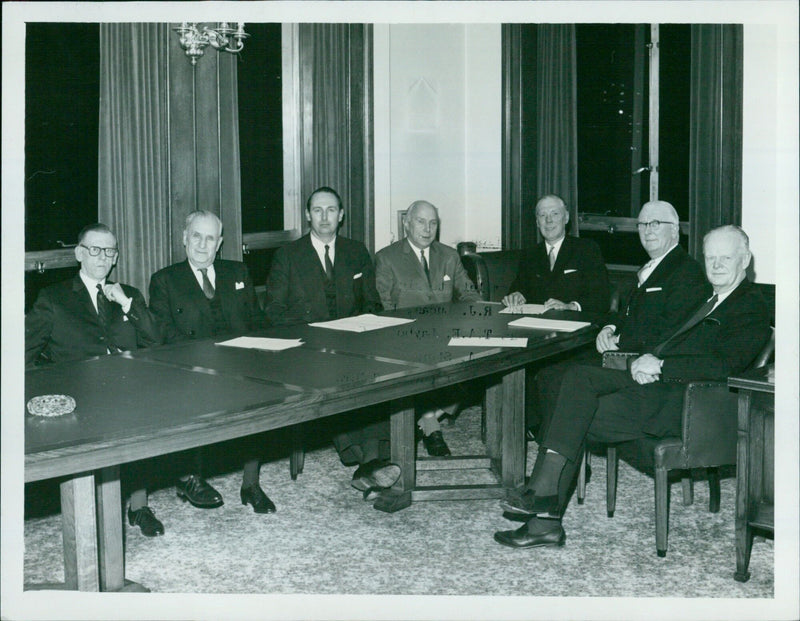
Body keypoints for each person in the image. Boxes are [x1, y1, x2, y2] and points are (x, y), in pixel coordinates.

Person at [493, 225, 772, 549]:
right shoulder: (710, 298)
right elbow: (671, 338)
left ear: (745, 259)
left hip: (689, 402)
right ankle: (544, 503)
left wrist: (662, 365)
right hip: (659, 382)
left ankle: (543, 509)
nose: (717, 265)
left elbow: (727, 365)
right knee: (571, 378)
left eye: (726, 257)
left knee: (573, 411)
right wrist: (643, 356)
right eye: (711, 258)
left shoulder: (750, 304)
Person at [26, 223, 165, 536]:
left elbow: (156, 341)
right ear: (79, 253)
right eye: (95, 249)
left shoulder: (129, 293)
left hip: (128, 388)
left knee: (144, 414)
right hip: (81, 392)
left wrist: (128, 304)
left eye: (109, 250)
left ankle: (139, 507)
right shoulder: (53, 298)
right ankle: (89, 517)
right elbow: (23, 352)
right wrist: (48, 388)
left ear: (115, 257)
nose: (103, 256)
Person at [530, 200, 711, 439]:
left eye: (656, 223)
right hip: (621, 351)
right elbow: (624, 310)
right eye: (642, 224)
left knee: (562, 378)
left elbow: (670, 331)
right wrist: (609, 327)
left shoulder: (686, 271)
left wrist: (621, 340)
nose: (648, 230)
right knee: (549, 373)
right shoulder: (650, 267)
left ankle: (560, 461)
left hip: (642, 362)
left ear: (675, 230)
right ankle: (560, 455)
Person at [264, 187, 399, 499]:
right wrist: (311, 337)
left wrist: (365, 331)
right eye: (317, 210)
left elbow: (371, 303)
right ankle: (372, 463)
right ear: (308, 215)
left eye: (331, 210)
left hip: (355, 343)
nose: (324, 217)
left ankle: (371, 464)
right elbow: (273, 310)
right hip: (308, 348)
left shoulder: (356, 251)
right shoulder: (288, 255)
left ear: (341, 215)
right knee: (337, 377)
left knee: (374, 376)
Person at [149, 210, 274, 514]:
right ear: (184, 239)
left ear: (219, 243)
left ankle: (251, 484)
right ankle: (191, 478)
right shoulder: (165, 280)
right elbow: (163, 334)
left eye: (210, 238)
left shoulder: (238, 272)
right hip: (192, 369)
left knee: (262, 395)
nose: (202, 245)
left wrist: (271, 346)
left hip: (241, 366)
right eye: (196, 236)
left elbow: (257, 320)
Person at [375, 200, 482, 456]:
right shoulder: (387, 258)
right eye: (421, 222)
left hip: (446, 337)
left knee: (482, 366)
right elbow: (383, 307)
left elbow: (470, 295)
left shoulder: (449, 255)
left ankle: (424, 419)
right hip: (403, 339)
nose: (427, 228)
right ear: (406, 224)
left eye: (433, 223)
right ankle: (432, 428)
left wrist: (469, 323)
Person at [502, 194, 610, 314]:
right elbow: (518, 288)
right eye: (543, 215)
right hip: (535, 326)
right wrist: (516, 296)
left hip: (574, 324)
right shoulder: (530, 254)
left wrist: (570, 306)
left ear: (566, 218)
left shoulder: (587, 249)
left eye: (555, 214)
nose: (549, 220)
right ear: (537, 222)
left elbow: (602, 298)